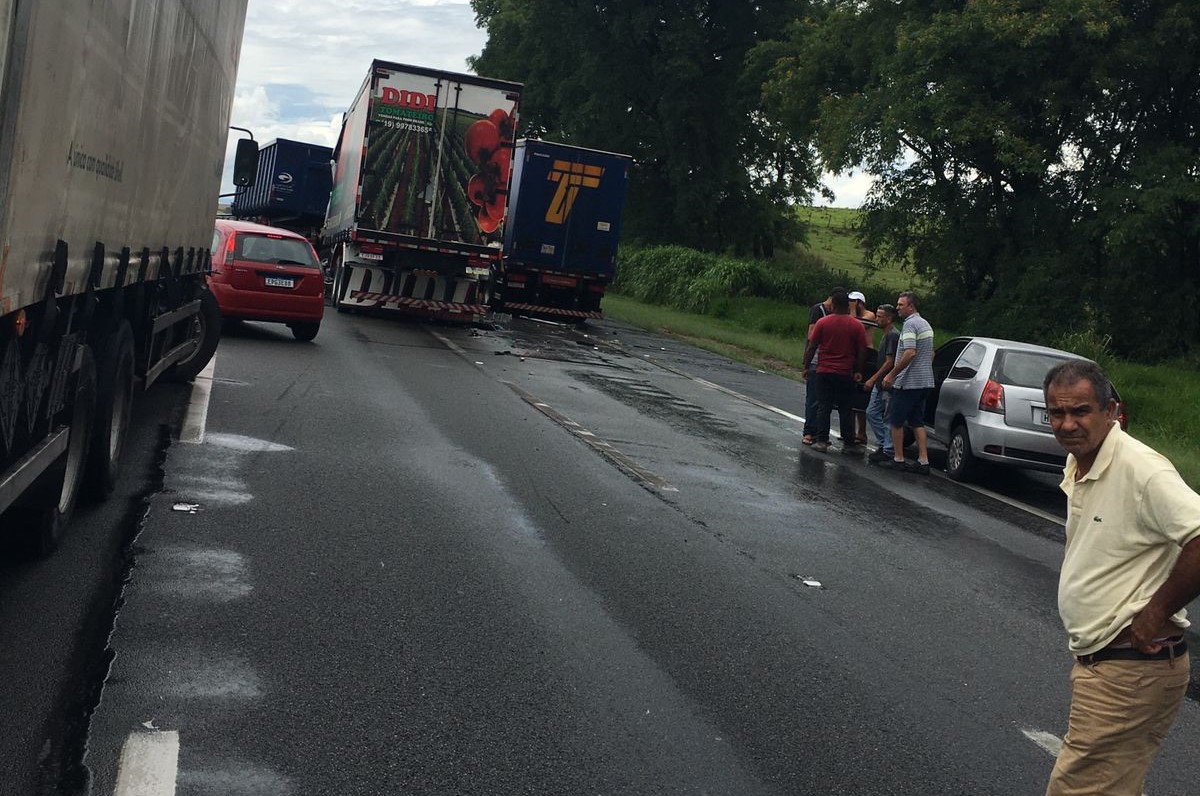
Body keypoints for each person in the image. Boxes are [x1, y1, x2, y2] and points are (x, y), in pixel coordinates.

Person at [1042, 360, 1200, 795]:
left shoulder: (1141, 470)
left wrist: (1155, 612)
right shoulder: (1083, 462)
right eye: (1057, 413)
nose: (1068, 424)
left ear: (1111, 411)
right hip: (1114, 664)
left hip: (1129, 669)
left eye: (1081, 411)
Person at [802, 288, 869, 453]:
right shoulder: (856, 325)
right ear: (847, 305)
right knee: (846, 408)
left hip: (824, 370)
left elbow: (812, 346)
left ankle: (822, 440)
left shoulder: (823, 323)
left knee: (823, 406)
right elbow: (862, 349)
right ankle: (848, 442)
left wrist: (806, 366)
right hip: (845, 372)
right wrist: (858, 370)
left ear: (834, 305)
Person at [881, 291, 934, 474]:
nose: (897, 308)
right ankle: (923, 460)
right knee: (917, 422)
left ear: (911, 306)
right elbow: (931, 353)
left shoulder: (910, 324)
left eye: (901, 305)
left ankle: (898, 458)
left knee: (896, 420)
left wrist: (892, 374)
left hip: (908, 383)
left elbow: (910, 352)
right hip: (925, 381)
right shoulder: (925, 323)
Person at [801, 289, 839, 445]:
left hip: (828, 362)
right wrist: (807, 363)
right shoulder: (818, 310)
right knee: (813, 398)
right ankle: (809, 431)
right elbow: (811, 336)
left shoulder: (837, 315)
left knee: (824, 401)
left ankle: (819, 432)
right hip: (816, 359)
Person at [863, 304, 898, 464]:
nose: (876, 319)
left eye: (880, 316)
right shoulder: (885, 335)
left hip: (885, 382)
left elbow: (889, 362)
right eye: (876, 315)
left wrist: (873, 378)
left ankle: (887, 447)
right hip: (880, 382)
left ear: (889, 318)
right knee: (872, 412)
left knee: (884, 415)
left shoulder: (892, 335)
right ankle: (884, 444)